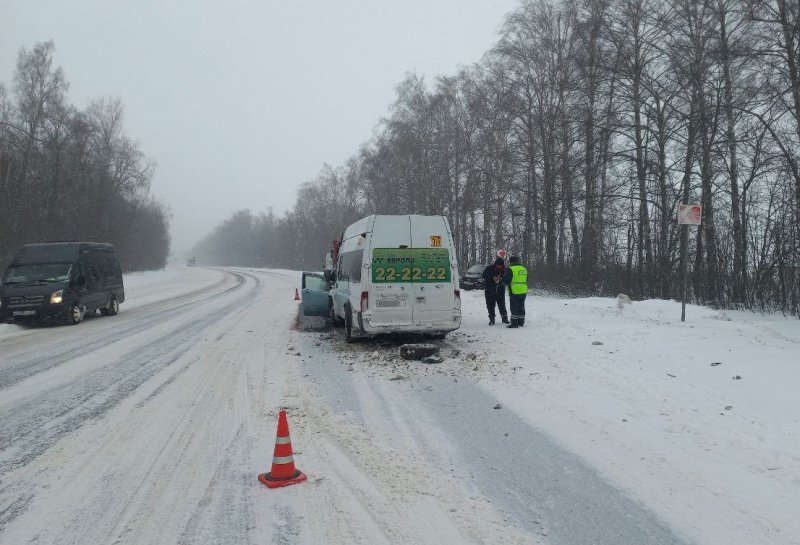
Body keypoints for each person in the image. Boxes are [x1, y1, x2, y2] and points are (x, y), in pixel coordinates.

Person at [503, 255, 528, 328]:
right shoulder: (524, 269)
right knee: (521, 307)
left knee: (514, 307)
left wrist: (502, 278)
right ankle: (521, 322)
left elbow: (506, 281)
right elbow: (526, 279)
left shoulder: (510, 269)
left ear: (510, 262)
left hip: (514, 291)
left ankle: (514, 324)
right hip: (523, 290)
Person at [482, 257, 508, 325]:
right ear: (495, 264)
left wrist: (501, 280)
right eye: (498, 264)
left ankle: (505, 319)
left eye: (501, 265)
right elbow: (484, 275)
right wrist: (492, 278)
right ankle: (492, 319)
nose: (499, 266)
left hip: (500, 290)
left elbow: (506, 279)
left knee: (502, 305)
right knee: (490, 305)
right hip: (489, 290)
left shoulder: (504, 270)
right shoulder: (489, 268)